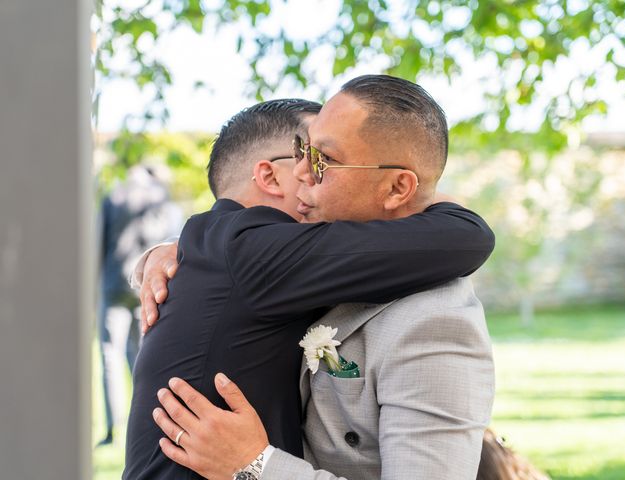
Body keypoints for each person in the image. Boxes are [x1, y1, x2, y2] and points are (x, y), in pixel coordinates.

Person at [137, 75, 495, 480]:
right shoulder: (278, 256)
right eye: (300, 151)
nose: (303, 172)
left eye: (324, 158)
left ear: (397, 188)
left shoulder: (433, 322)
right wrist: (168, 250)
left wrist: (255, 465)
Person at [97, 164, 182, 446]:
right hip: (150, 284)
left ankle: (112, 429)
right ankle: (149, 420)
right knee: (144, 357)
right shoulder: (161, 197)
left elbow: (97, 243)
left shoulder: (115, 195)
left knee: (110, 356)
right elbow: (173, 242)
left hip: (113, 286)